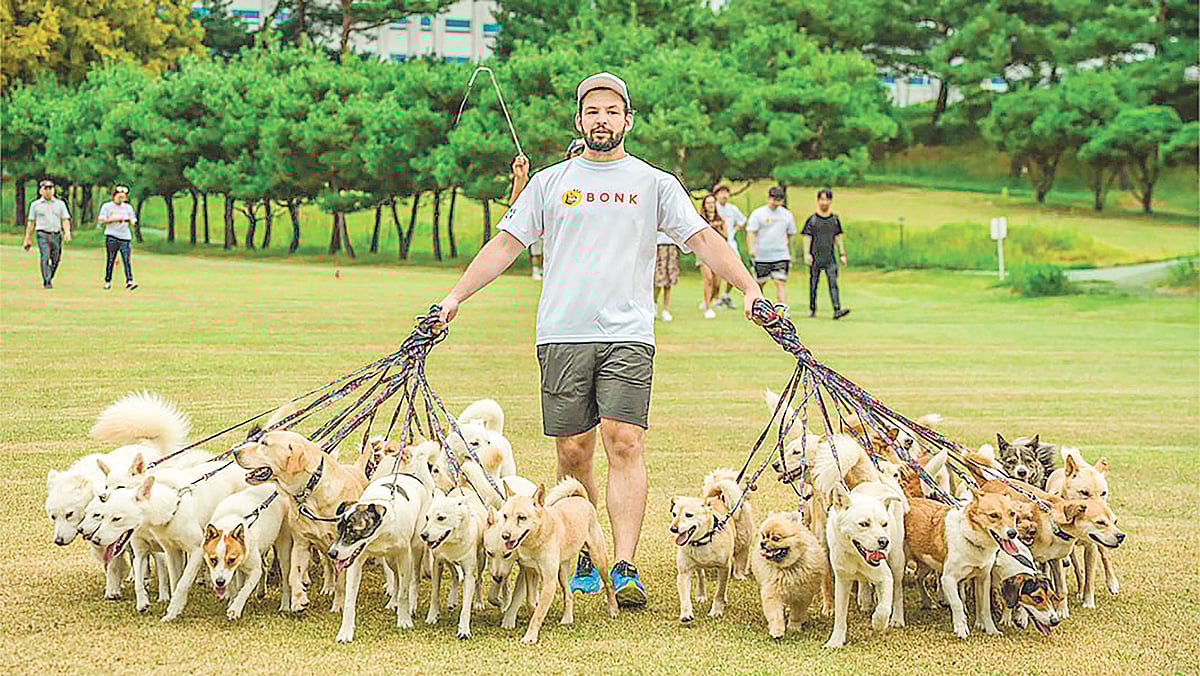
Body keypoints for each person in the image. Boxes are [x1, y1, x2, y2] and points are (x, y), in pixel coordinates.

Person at [434, 72, 762, 608]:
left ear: (627, 120)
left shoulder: (654, 183)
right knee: (573, 448)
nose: (602, 119)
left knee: (625, 442)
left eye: (613, 111)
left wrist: (748, 287)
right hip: (561, 332)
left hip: (629, 333)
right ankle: (585, 551)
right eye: (593, 111)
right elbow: (504, 244)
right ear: (579, 120)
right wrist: (453, 298)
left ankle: (626, 563)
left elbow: (703, 239)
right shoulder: (548, 182)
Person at [515, 139, 586, 281]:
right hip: (562, 277)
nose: (580, 155)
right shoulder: (553, 181)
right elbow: (518, 211)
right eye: (577, 152)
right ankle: (536, 270)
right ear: (569, 155)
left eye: (583, 151)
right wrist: (520, 180)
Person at [802, 189, 850, 319]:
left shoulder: (834, 220)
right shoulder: (812, 220)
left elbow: (838, 237)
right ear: (817, 201)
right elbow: (807, 237)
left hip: (830, 257)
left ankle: (837, 309)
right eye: (821, 199)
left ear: (831, 201)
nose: (824, 202)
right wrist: (807, 254)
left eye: (826, 199)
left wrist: (842, 254)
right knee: (813, 284)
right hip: (815, 257)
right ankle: (812, 309)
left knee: (833, 282)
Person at [746, 185, 796, 306]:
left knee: (780, 282)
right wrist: (751, 249)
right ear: (769, 198)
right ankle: (759, 307)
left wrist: (791, 252)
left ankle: (782, 309)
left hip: (780, 254)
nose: (775, 203)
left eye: (779, 200)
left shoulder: (787, 215)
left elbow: (791, 234)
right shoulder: (758, 214)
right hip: (762, 255)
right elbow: (751, 232)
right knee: (760, 283)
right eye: (773, 199)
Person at [23, 179, 72, 289]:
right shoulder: (35, 205)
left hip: (56, 234)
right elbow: (31, 222)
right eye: (46, 189)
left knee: (56, 258)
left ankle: (50, 275)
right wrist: (27, 238)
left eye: (50, 188)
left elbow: (65, 219)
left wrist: (67, 232)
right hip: (42, 234)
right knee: (45, 256)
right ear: (41, 191)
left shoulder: (60, 204)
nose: (48, 191)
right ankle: (47, 281)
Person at [97, 185, 139, 290]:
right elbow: (102, 220)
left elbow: (133, 218)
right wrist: (115, 219)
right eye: (119, 197)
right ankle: (108, 280)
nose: (121, 199)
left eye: (123, 197)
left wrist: (132, 222)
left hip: (125, 236)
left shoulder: (128, 207)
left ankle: (129, 280)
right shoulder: (107, 206)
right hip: (112, 235)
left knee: (126, 259)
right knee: (111, 259)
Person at [712, 184, 747, 309]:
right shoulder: (712, 208)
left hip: (730, 243)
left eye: (726, 192)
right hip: (714, 244)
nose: (724, 195)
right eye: (721, 193)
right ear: (716, 195)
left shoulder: (732, 209)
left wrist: (734, 231)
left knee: (735, 270)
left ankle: (725, 295)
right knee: (715, 274)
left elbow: (742, 221)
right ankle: (713, 299)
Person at [696, 193, 727, 319]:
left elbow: (726, 236)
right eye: (708, 203)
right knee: (708, 279)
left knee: (717, 282)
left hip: (717, 253)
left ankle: (710, 299)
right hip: (704, 252)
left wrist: (717, 229)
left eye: (713, 203)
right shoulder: (699, 220)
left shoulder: (721, 220)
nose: (711, 205)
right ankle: (708, 307)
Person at [653, 231, 681, 322]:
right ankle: (654, 303)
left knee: (668, 282)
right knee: (658, 281)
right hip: (659, 246)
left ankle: (666, 310)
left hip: (672, 246)